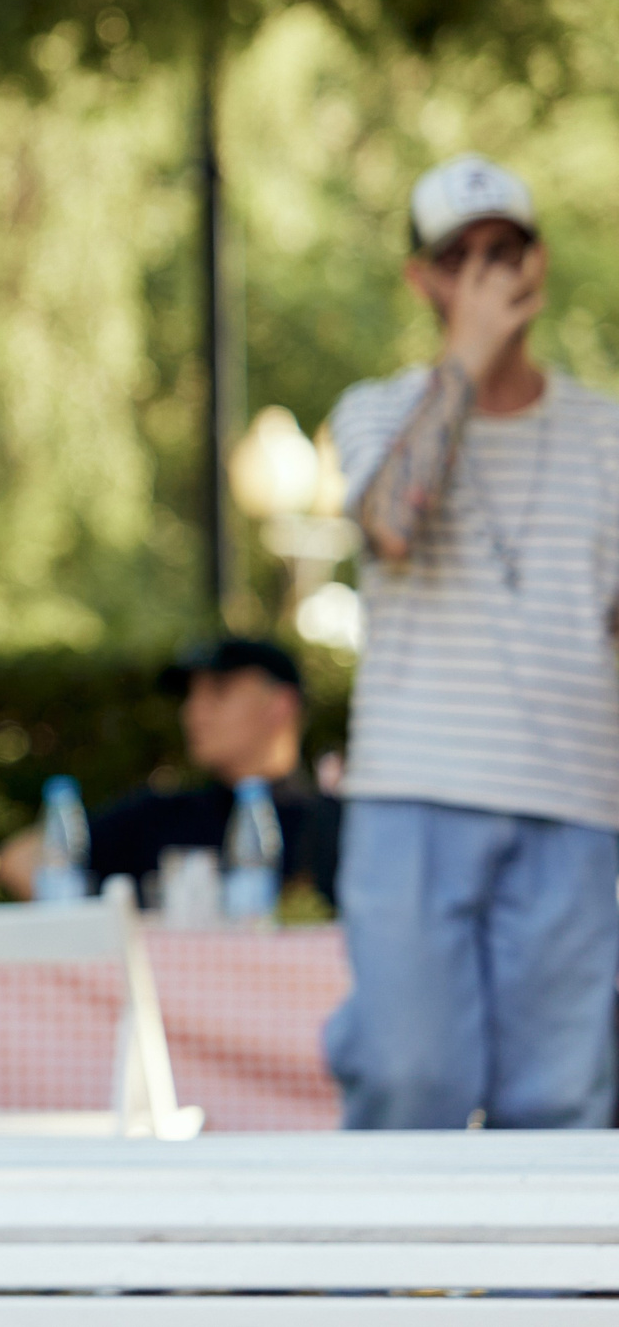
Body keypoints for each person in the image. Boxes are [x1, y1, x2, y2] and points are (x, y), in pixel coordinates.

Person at [322, 153, 619, 1131]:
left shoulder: (607, 433)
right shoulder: (375, 409)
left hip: (575, 805)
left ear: (539, 261)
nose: (489, 273)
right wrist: (467, 360)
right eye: (462, 256)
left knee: (563, 1103)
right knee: (407, 1081)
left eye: (507, 249)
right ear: (424, 279)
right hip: (414, 791)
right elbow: (393, 525)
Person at [0, 638, 340, 907]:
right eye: (190, 695)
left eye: (219, 691)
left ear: (281, 705)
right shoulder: (160, 815)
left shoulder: (332, 825)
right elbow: (19, 859)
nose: (193, 712)